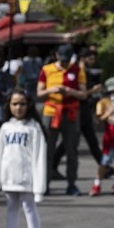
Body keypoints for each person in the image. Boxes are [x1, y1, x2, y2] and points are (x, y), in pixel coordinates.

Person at [0, 89, 48, 228]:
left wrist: (39, 186)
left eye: (22, 104)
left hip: (27, 179)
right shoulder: (5, 127)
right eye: (14, 104)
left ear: (29, 105)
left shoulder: (34, 128)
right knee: (11, 208)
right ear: (9, 106)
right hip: (9, 178)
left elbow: (39, 157)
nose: (18, 108)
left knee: (29, 207)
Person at [38, 44, 88, 196]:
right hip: (51, 112)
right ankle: (44, 184)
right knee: (47, 150)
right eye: (62, 59)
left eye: (67, 60)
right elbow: (39, 93)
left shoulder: (77, 70)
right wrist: (51, 90)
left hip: (70, 113)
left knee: (71, 149)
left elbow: (83, 94)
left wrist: (70, 91)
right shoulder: (47, 70)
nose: (65, 62)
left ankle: (72, 184)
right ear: (57, 56)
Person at [55, 45, 104, 174]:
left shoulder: (86, 71)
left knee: (91, 139)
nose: (92, 61)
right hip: (76, 109)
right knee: (70, 140)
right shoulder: (75, 71)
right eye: (90, 59)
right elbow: (79, 93)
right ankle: (53, 164)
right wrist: (92, 90)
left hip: (85, 108)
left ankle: (104, 166)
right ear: (83, 58)